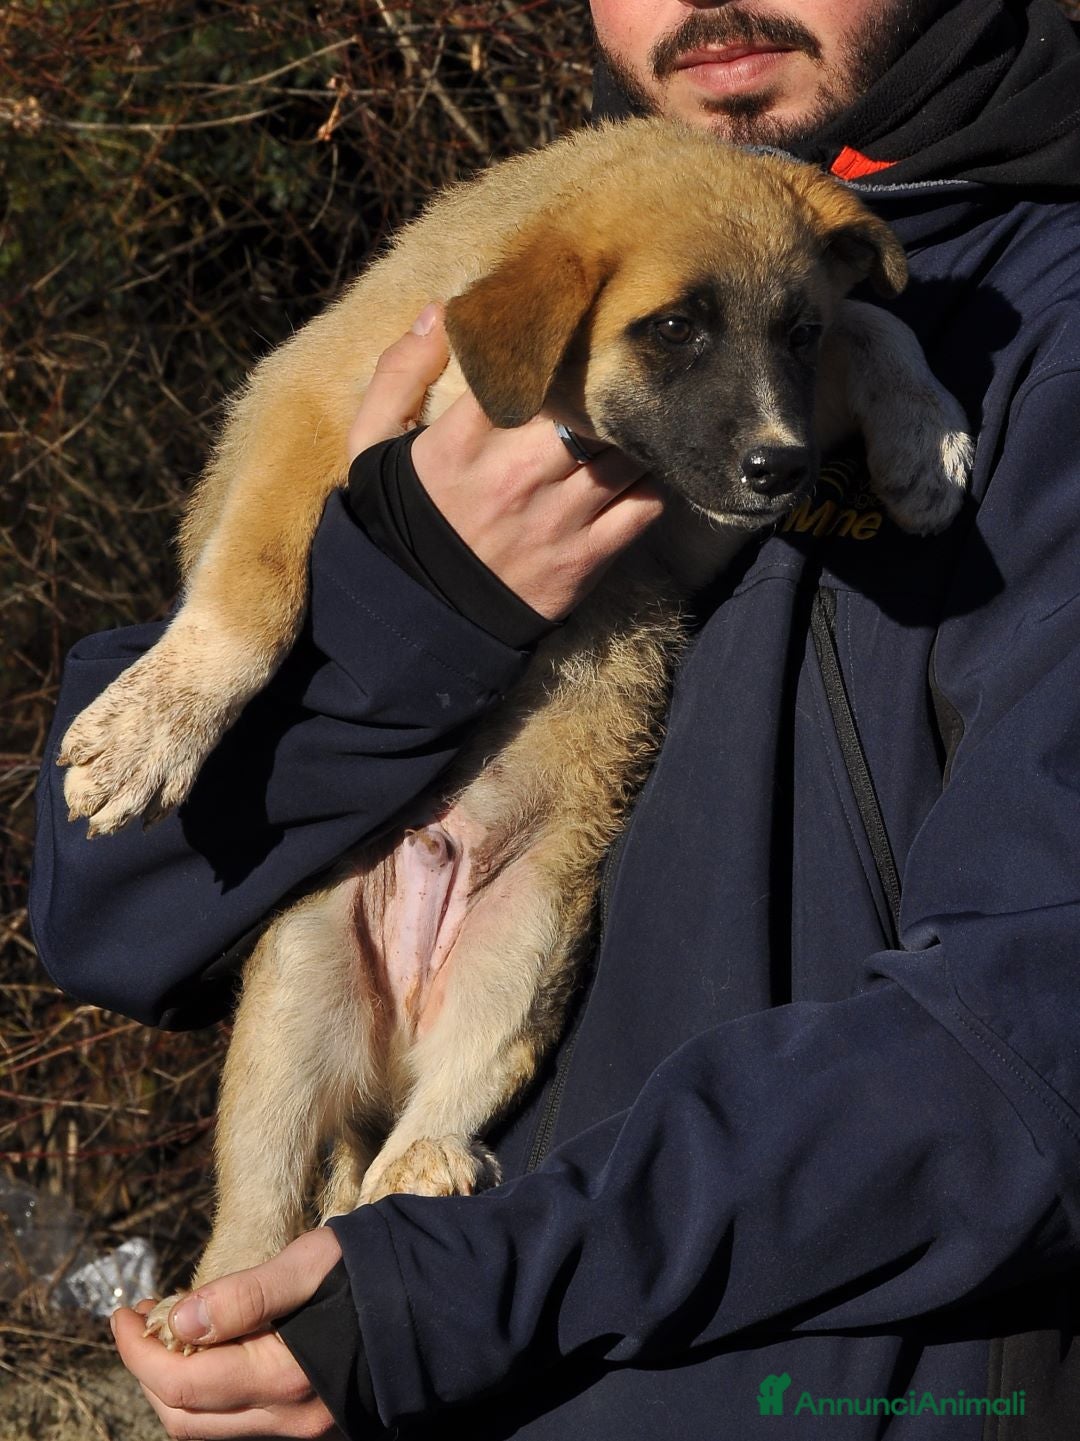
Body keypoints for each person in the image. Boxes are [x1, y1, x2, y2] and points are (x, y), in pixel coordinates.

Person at [29, 0, 1080, 1435]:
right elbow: (110, 908)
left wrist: (462, 1284)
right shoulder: (539, 260)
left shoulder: (1044, 340)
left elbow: (1034, 1038)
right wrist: (415, 600)